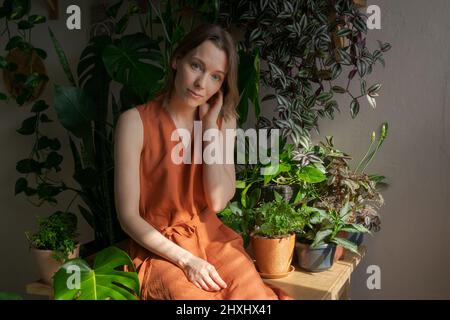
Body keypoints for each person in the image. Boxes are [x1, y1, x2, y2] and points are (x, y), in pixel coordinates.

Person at [114, 23, 292, 300]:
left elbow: (218, 201)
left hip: (212, 238)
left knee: (254, 298)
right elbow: (127, 217)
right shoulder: (134, 122)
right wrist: (187, 261)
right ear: (177, 60)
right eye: (196, 66)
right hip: (160, 246)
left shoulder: (223, 121)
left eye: (215, 77)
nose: (201, 84)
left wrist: (209, 128)